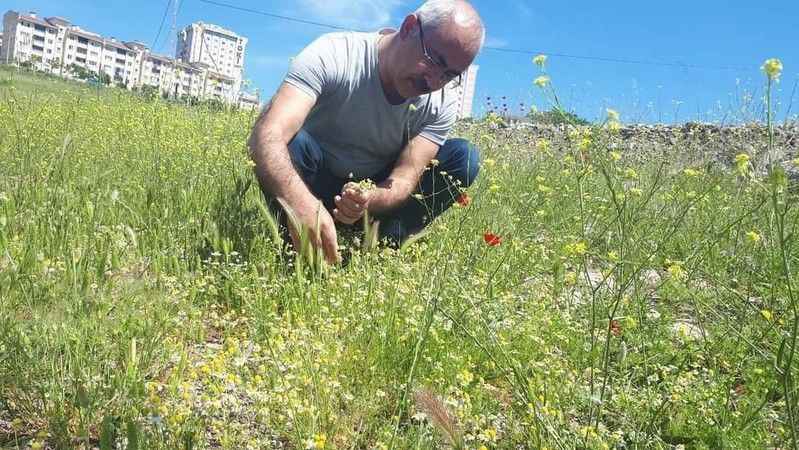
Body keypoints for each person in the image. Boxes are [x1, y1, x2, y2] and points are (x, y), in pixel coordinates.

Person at [248, 0, 485, 264]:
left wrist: (370, 198)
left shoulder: (442, 102)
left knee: (463, 157)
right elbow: (268, 133)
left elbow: (406, 177)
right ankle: (295, 241)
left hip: (372, 193)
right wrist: (301, 201)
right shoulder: (335, 53)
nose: (433, 81)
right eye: (433, 60)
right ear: (409, 28)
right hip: (311, 179)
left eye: (450, 75)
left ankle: (388, 244)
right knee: (293, 142)